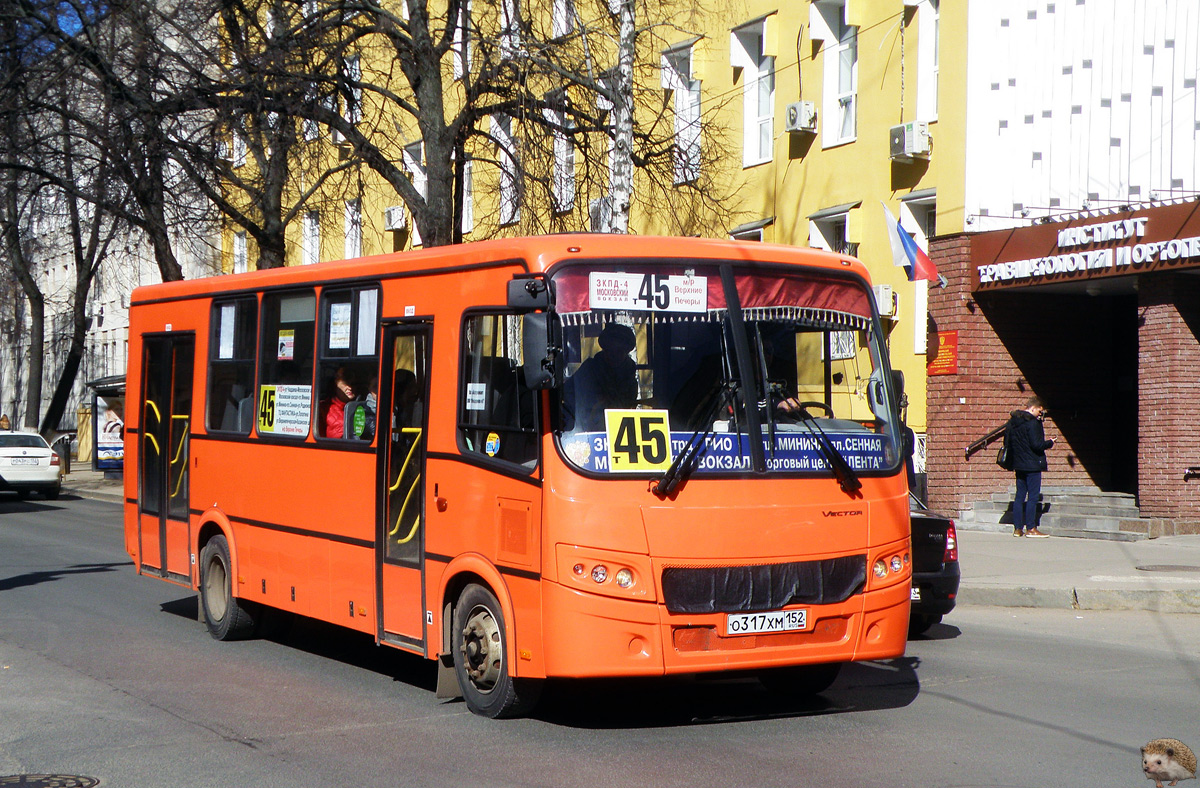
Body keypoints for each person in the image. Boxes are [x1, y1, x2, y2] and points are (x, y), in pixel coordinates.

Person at [568, 323, 638, 431]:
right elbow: (568, 396)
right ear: (604, 349)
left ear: (627, 350)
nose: (614, 355)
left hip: (620, 430)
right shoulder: (589, 370)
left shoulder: (630, 378)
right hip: (585, 430)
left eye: (619, 351)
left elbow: (628, 408)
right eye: (610, 350)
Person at [1006, 396, 1055, 538]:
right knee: (1033, 496)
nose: (1040, 415)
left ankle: (1017, 529)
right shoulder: (1032, 423)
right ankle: (1031, 528)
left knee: (1019, 495)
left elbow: (1007, 441)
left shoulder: (1013, 421)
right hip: (1032, 464)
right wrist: (1049, 443)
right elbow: (1037, 445)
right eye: (1040, 412)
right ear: (1033, 408)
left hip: (1019, 464)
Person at [319, 366, 355, 438]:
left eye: (353, 384)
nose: (350, 387)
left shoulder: (361, 407)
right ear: (336, 385)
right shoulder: (325, 408)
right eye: (345, 383)